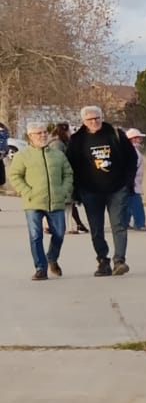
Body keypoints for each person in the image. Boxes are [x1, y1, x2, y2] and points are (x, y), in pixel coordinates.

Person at [65, 104, 139, 276]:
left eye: (97, 118)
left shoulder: (115, 134)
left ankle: (119, 260)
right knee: (96, 228)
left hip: (117, 189)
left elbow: (131, 159)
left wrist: (127, 182)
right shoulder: (77, 140)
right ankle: (102, 260)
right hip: (91, 191)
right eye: (90, 119)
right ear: (84, 121)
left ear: (102, 117)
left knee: (119, 225)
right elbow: (71, 165)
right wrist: (77, 190)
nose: (94, 121)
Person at [9, 121, 73, 280]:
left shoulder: (58, 154)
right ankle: (40, 268)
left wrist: (64, 191)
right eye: (39, 133)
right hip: (33, 202)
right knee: (35, 236)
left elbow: (68, 174)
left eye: (44, 132)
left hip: (56, 201)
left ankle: (52, 257)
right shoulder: (22, 155)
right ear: (30, 136)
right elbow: (14, 176)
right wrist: (26, 191)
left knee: (59, 233)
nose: (43, 135)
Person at [123, 129, 146, 232]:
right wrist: (131, 182)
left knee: (127, 204)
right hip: (132, 183)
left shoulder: (129, 150)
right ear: (132, 139)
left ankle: (124, 223)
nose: (140, 140)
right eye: (138, 138)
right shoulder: (132, 152)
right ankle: (140, 223)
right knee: (136, 204)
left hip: (131, 182)